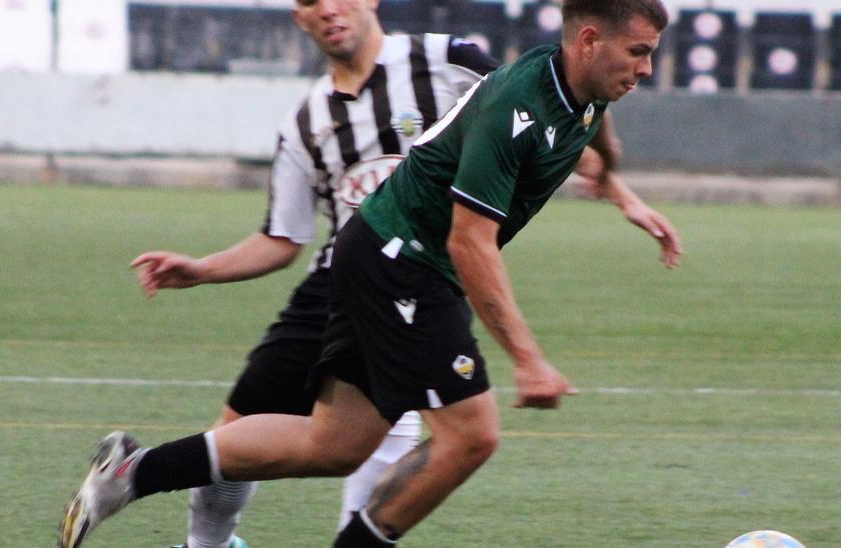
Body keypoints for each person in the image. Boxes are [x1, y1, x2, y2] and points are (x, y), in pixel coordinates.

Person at [57, 1, 669, 547]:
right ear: (588, 40)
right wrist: (528, 358)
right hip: (406, 259)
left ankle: (132, 475)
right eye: (637, 53)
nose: (644, 70)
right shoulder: (516, 101)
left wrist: (616, 184)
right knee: (472, 436)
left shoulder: (584, 90)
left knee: (337, 446)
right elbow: (470, 241)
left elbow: (591, 129)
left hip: (380, 250)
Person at [105, 0, 502, 546]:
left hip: (417, 280)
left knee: (381, 431)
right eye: (312, 2)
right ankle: (208, 544)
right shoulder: (306, 120)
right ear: (299, 18)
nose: (329, 11)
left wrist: (609, 179)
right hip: (334, 283)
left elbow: (530, 108)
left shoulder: (447, 62)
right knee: (233, 436)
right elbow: (281, 238)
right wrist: (202, 269)